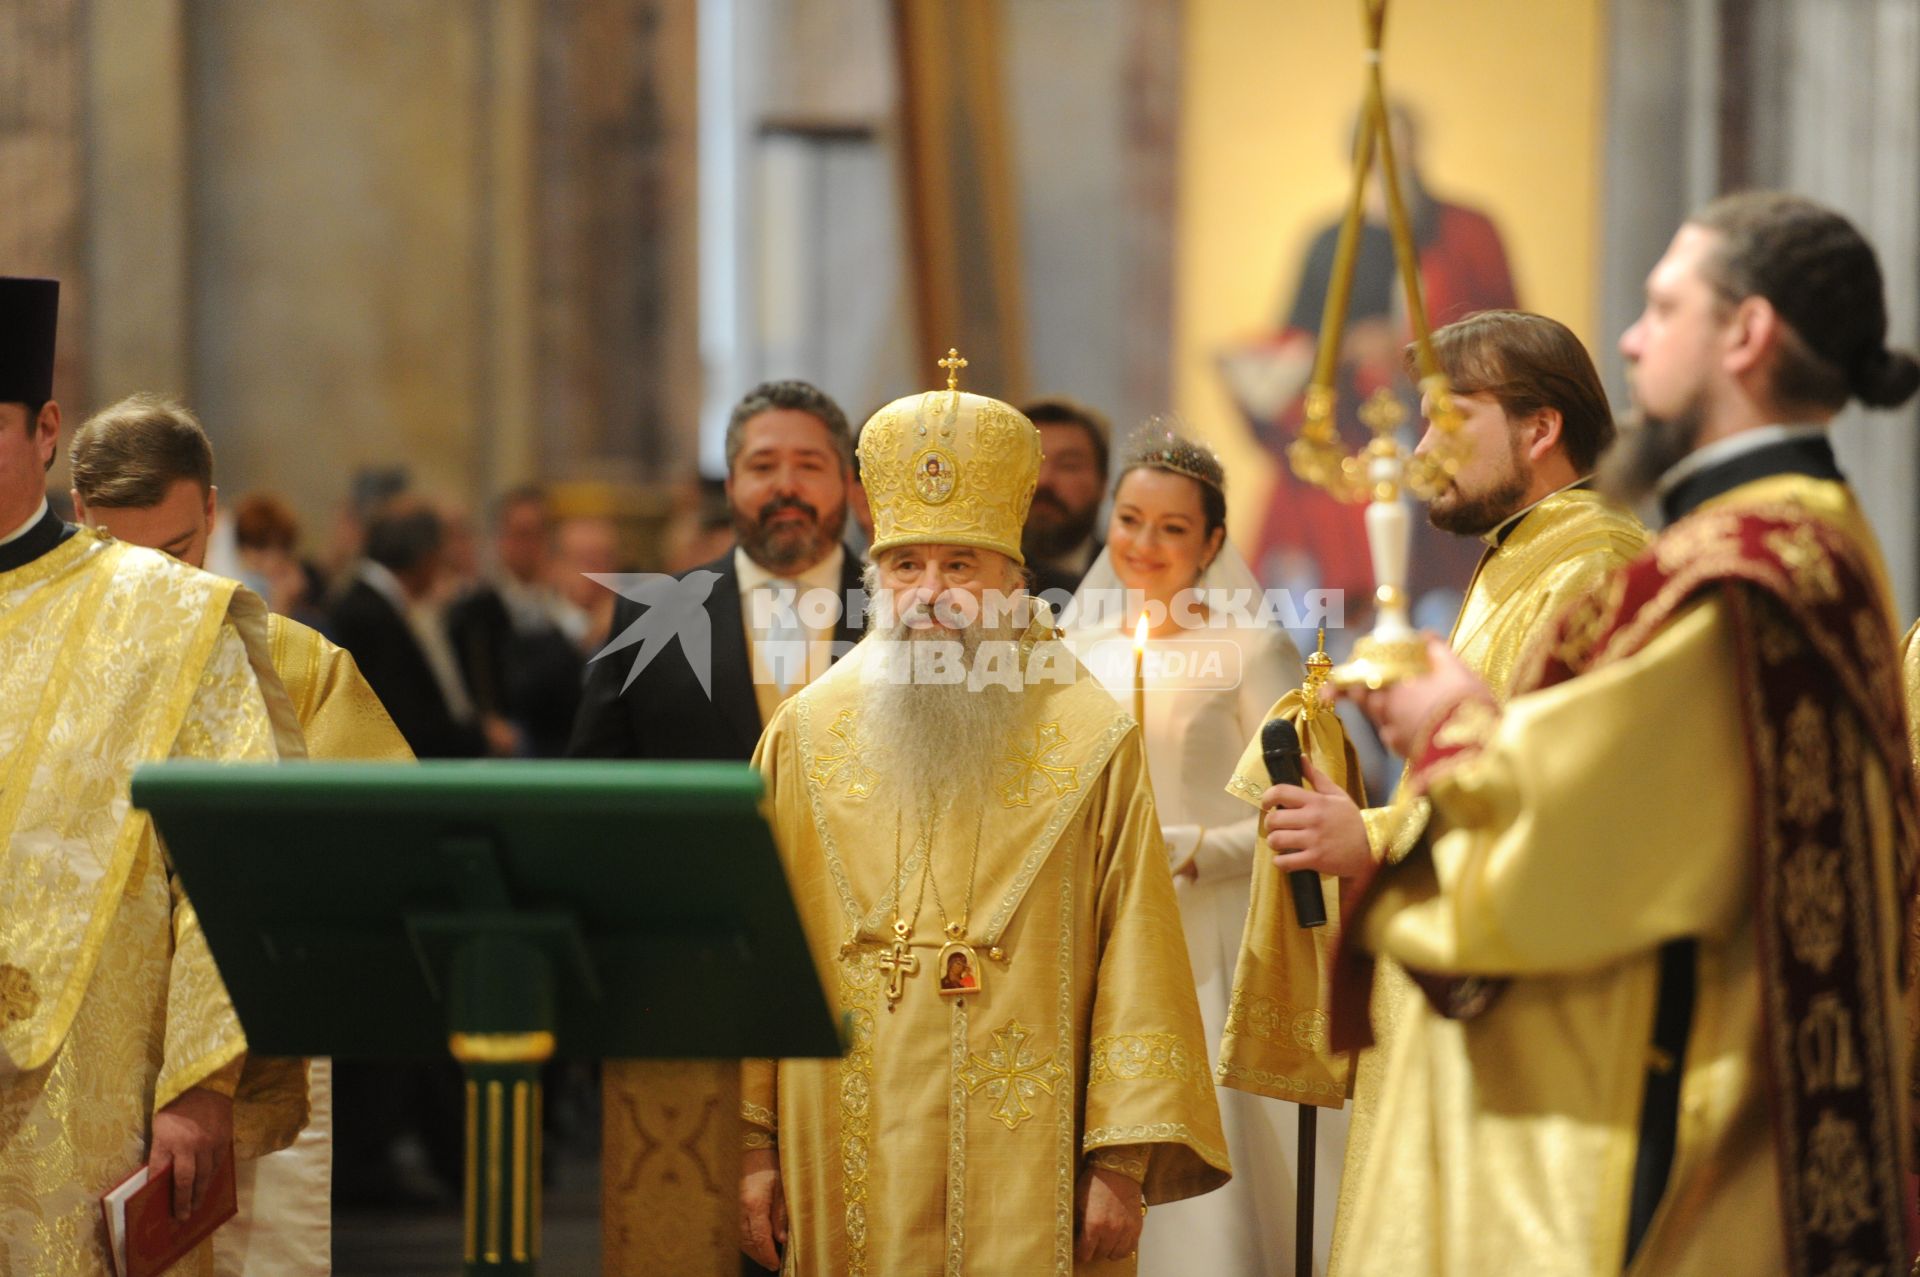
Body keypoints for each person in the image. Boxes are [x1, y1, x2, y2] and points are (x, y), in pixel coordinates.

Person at [1336, 193, 1920, 1274]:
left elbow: (1585, 846)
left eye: (1663, 306)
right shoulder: (1799, 535)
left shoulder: (1743, 567)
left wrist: (1453, 722)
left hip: (1704, 1135)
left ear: (1744, 334)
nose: (1633, 337)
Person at [738, 365, 1228, 1274]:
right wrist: (751, 1145)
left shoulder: (1088, 740)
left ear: (1010, 576)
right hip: (843, 1136)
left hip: (1027, 1158)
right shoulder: (803, 739)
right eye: (906, 565)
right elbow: (755, 950)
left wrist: (1119, 1162)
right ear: (875, 574)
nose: (932, 592)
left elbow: (1140, 960)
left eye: (960, 564)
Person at [1248, 309, 1647, 1269]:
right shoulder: (1522, 556)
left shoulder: (1594, 564)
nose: (1419, 454)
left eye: (1443, 420)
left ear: (1539, 428)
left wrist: (1370, 838)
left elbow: (1576, 806)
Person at [67, 393, 414, 1277]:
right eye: (120, 555)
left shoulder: (292, 662)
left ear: (212, 513)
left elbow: (385, 839)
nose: (153, 585)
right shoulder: (40, 660)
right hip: (67, 1052)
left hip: (247, 1051)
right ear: (77, 517)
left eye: (177, 553)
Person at [0, 278, 307, 1275]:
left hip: (88, 1094)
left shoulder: (166, 614)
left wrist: (202, 1085)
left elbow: (240, 851)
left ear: (46, 429)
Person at [1062, 428, 1315, 1274]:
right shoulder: (1071, 657)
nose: (1143, 544)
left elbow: (1299, 803)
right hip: (1098, 933)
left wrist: (1202, 848)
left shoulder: (1248, 651)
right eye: (1129, 520)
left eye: (1172, 528)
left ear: (1212, 543)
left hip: (1206, 930)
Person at [1223, 100, 1518, 628]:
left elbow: (1507, 339)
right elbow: (1297, 344)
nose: (1391, 163)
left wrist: (1414, 347)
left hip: (1438, 443)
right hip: (1347, 447)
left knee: (1443, 620)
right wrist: (1345, 351)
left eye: (1401, 148)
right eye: (1376, 153)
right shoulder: (1330, 243)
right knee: (1315, 635)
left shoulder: (1465, 234)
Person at [568, 380, 866, 761]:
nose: (786, 486)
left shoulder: (900, 612)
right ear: (730, 486)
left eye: (809, 465)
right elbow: (597, 777)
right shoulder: (651, 615)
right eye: (763, 466)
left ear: (845, 483)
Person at [330, 498, 513, 759]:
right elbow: (404, 717)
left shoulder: (371, 602)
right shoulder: (370, 615)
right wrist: (479, 738)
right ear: (424, 557)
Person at [447, 485, 587, 757]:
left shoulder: (565, 607)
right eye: (521, 534)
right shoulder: (474, 611)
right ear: (501, 539)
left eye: (538, 534)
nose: (530, 545)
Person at [1022, 397, 1111, 600]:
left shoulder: (1129, 582)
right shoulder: (972, 584)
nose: (1044, 480)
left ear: (1103, 483)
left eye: (1068, 465)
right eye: (1030, 462)